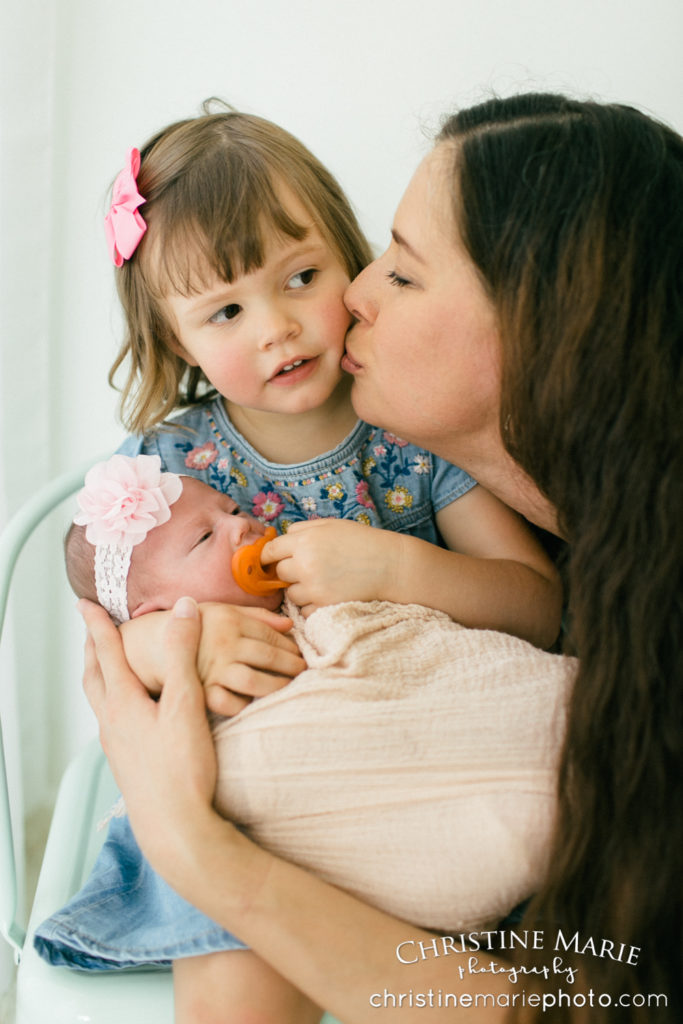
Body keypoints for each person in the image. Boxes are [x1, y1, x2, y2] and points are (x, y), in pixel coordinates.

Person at [80, 90, 682, 1021]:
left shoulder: (414, 447)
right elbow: (113, 624)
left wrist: (395, 570)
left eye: (309, 275)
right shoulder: (171, 468)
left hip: (418, 775)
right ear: (173, 336)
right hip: (264, 797)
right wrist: (172, 652)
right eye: (225, 310)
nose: (286, 323)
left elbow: (542, 606)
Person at [36, 454, 573, 1006]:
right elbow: (110, 659)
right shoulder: (179, 643)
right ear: (155, 610)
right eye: (204, 539)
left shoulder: (332, 587)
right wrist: (175, 641)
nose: (241, 525)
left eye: (232, 509)